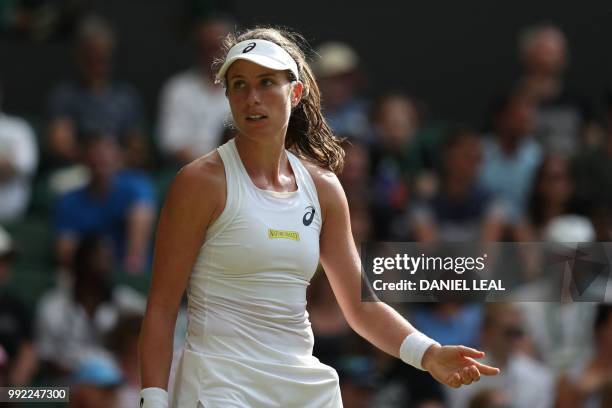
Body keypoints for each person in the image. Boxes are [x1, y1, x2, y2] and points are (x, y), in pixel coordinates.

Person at [138, 27, 500, 408]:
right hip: (219, 388)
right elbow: (162, 306)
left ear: (294, 93)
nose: (252, 98)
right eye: (239, 85)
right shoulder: (199, 182)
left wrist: (428, 354)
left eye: (266, 82)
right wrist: (153, 400)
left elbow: (360, 306)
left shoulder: (323, 188)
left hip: (305, 390)